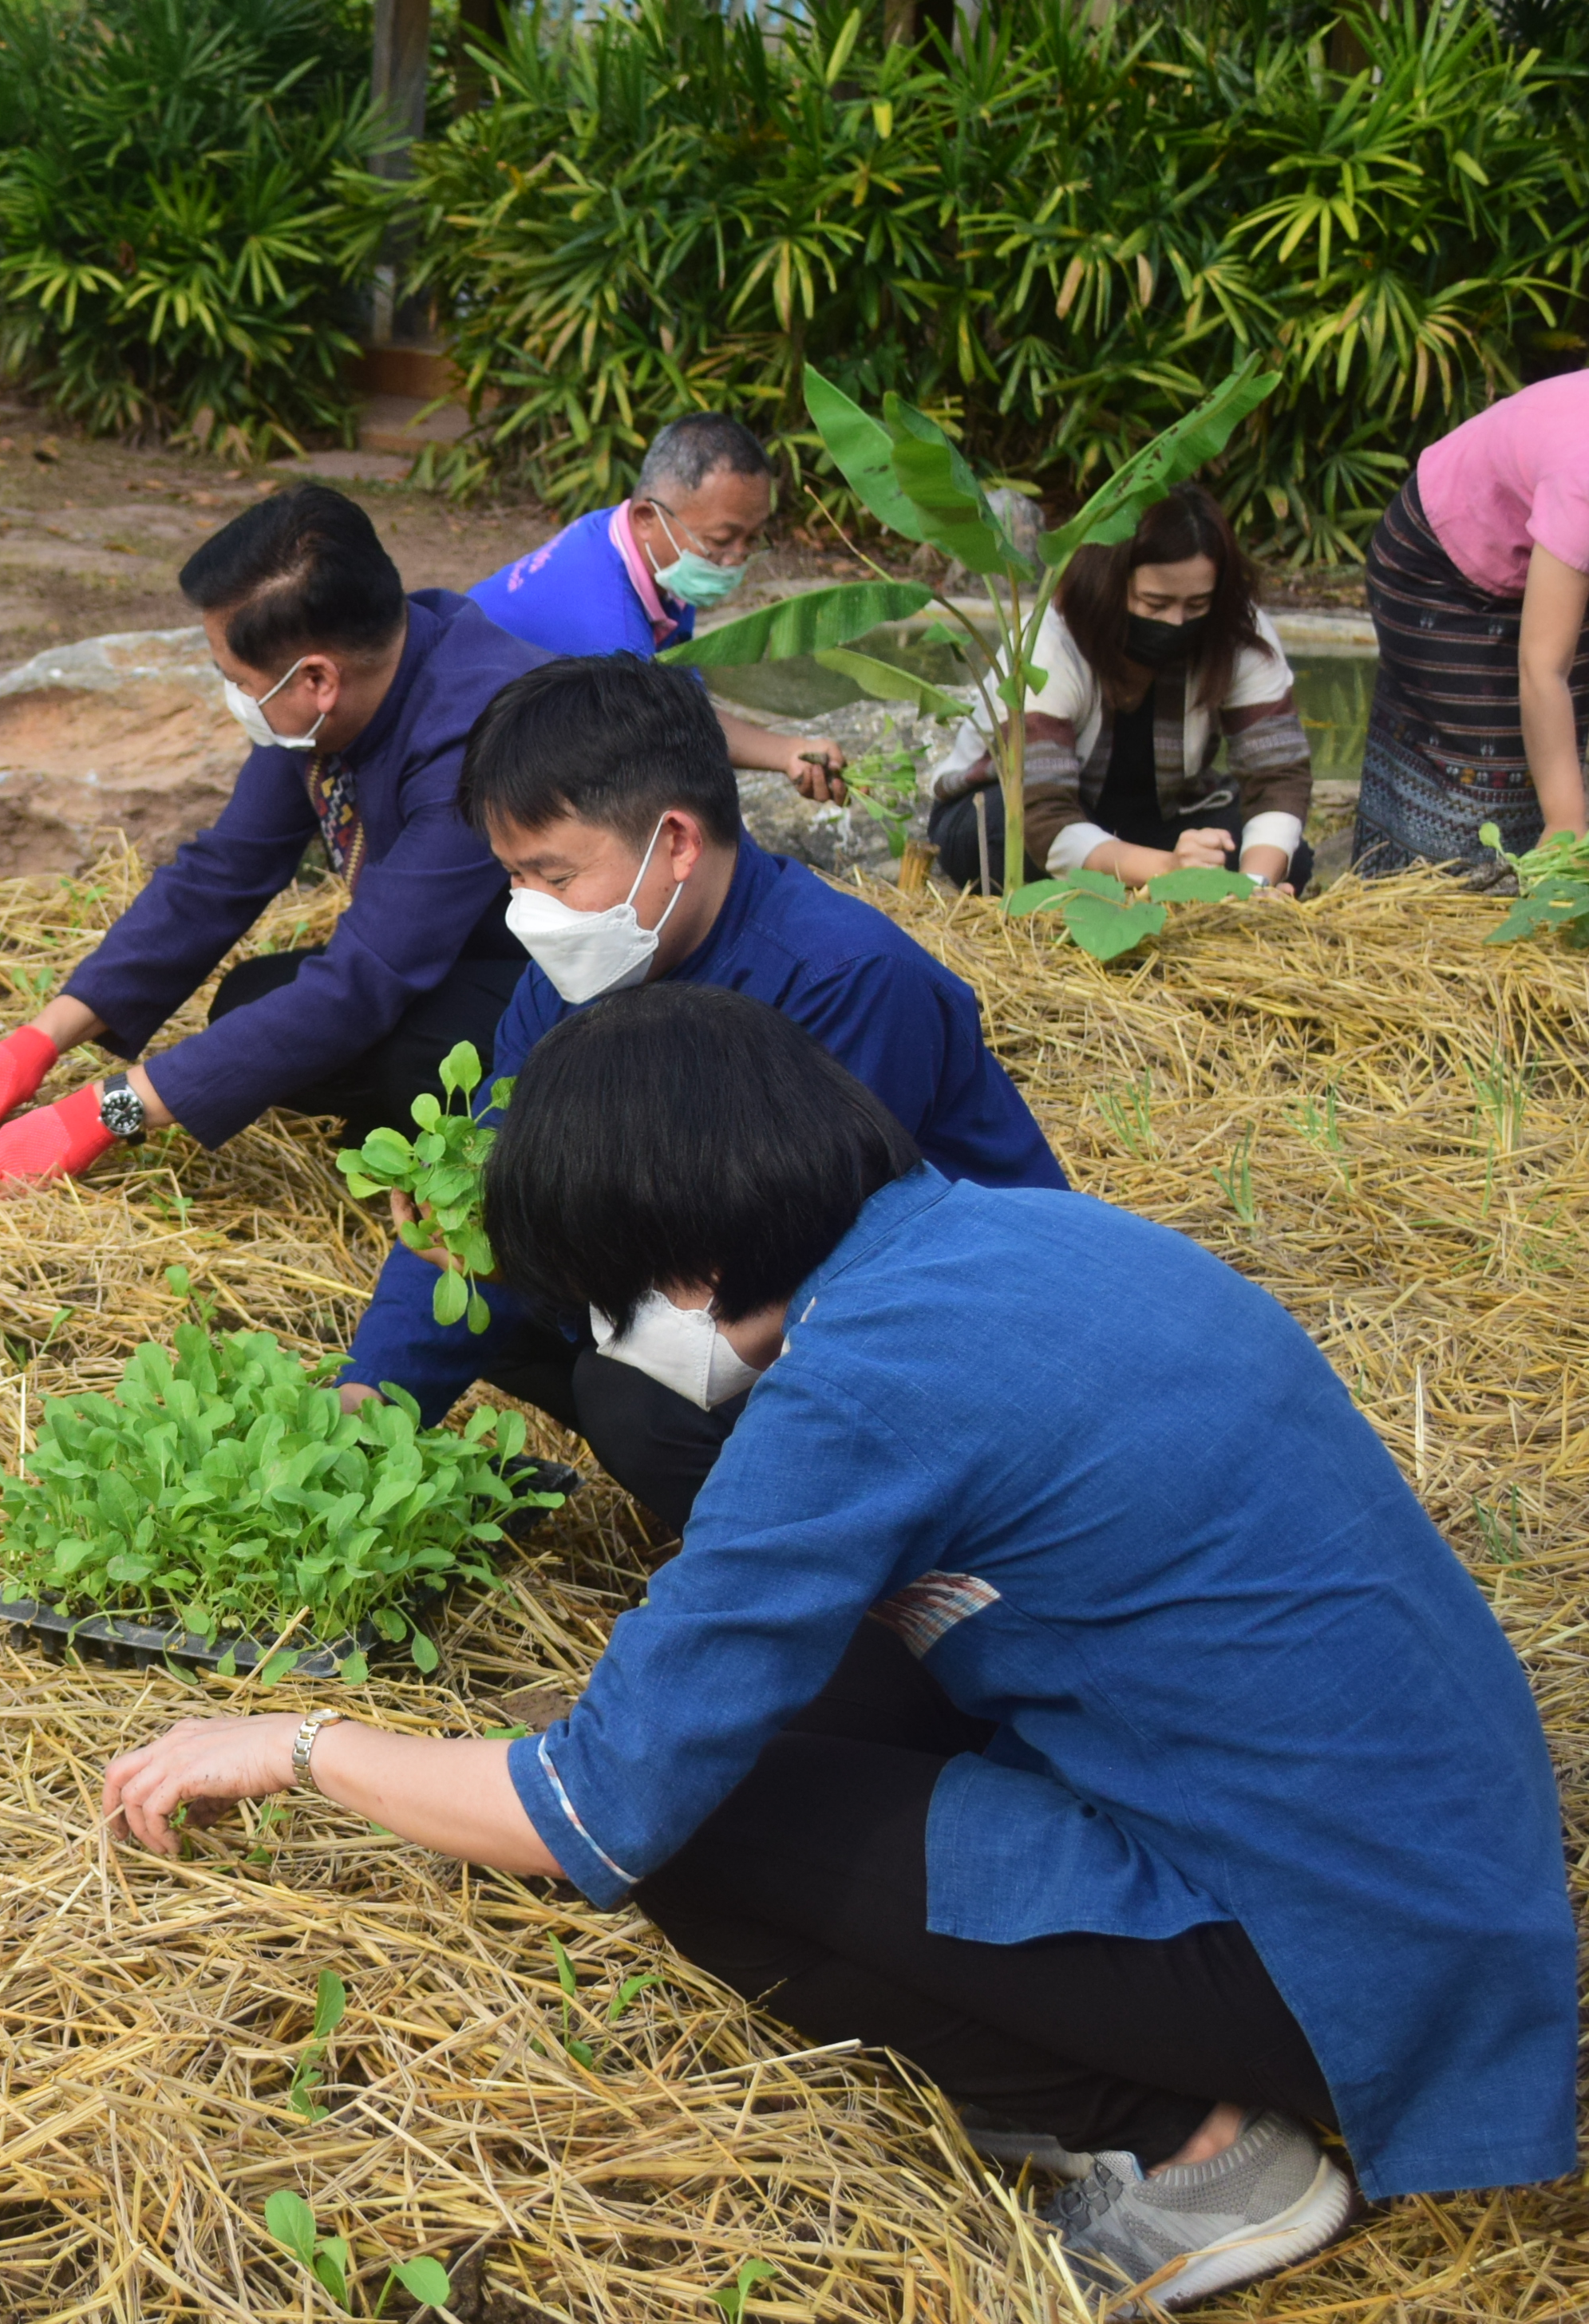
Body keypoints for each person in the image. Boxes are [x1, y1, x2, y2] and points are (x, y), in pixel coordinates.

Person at [99, 985, 1575, 2313]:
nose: (602, 1334)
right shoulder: (1016, 1234)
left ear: (678, 1262)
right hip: (1442, 1872)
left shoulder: (859, 1391)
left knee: (696, 1827)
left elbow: (592, 1813)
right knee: (767, 1716)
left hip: (1339, 1966)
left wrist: (299, 1745)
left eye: (598, 1296)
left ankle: (1187, 2149)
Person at [342, 654, 1061, 1525]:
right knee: (496, 1297)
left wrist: (561, 1274)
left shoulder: (842, 980)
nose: (528, 910)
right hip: (698, 1271)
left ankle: (849, 1570)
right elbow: (489, 1178)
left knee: (635, 1398)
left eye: (556, 877)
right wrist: (364, 1403)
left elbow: (803, 1274)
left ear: (676, 841)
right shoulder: (569, 976)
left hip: (934, 1330)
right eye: (512, 877)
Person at [0, 485, 544, 1189]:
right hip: (440, 957)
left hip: (549, 990)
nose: (233, 697)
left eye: (235, 679)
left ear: (317, 679)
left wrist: (102, 1112)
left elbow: (364, 981)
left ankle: (488, 1166)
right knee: (250, 997)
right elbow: (222, 873)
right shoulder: (339, 693)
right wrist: (38, 1039)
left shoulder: (474, 733)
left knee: (413, 1053)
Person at [927, 486, 1314, 897]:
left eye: (1197, 605)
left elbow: (1276, 775)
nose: (1177, 621)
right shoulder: (1051, 642)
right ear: (1110, 585)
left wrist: (1254, 889)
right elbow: (1043, 811)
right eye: (1154, 603)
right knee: (1001, 838)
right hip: (1016, 811)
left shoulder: (1236, 631)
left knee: (1288, 855)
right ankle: (1149, 885)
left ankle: (1161, 887)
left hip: (1159, 820)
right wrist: (1168, 869)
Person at [466, 412, 844, 800]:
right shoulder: (611, 626)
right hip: (470, 757)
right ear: (648, 517)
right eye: (722, 538)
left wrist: (789, 752)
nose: (736, 559)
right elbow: (671, 740)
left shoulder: (649, 556)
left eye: (752, 539)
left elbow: (684, 699)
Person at [1351, 370, 1589, 880]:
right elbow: (1543, 669)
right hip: (1437, 570)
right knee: (1494, 779)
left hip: (1540, 553)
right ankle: (1449, 922)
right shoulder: (1584, 478)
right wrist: (1567, 825)